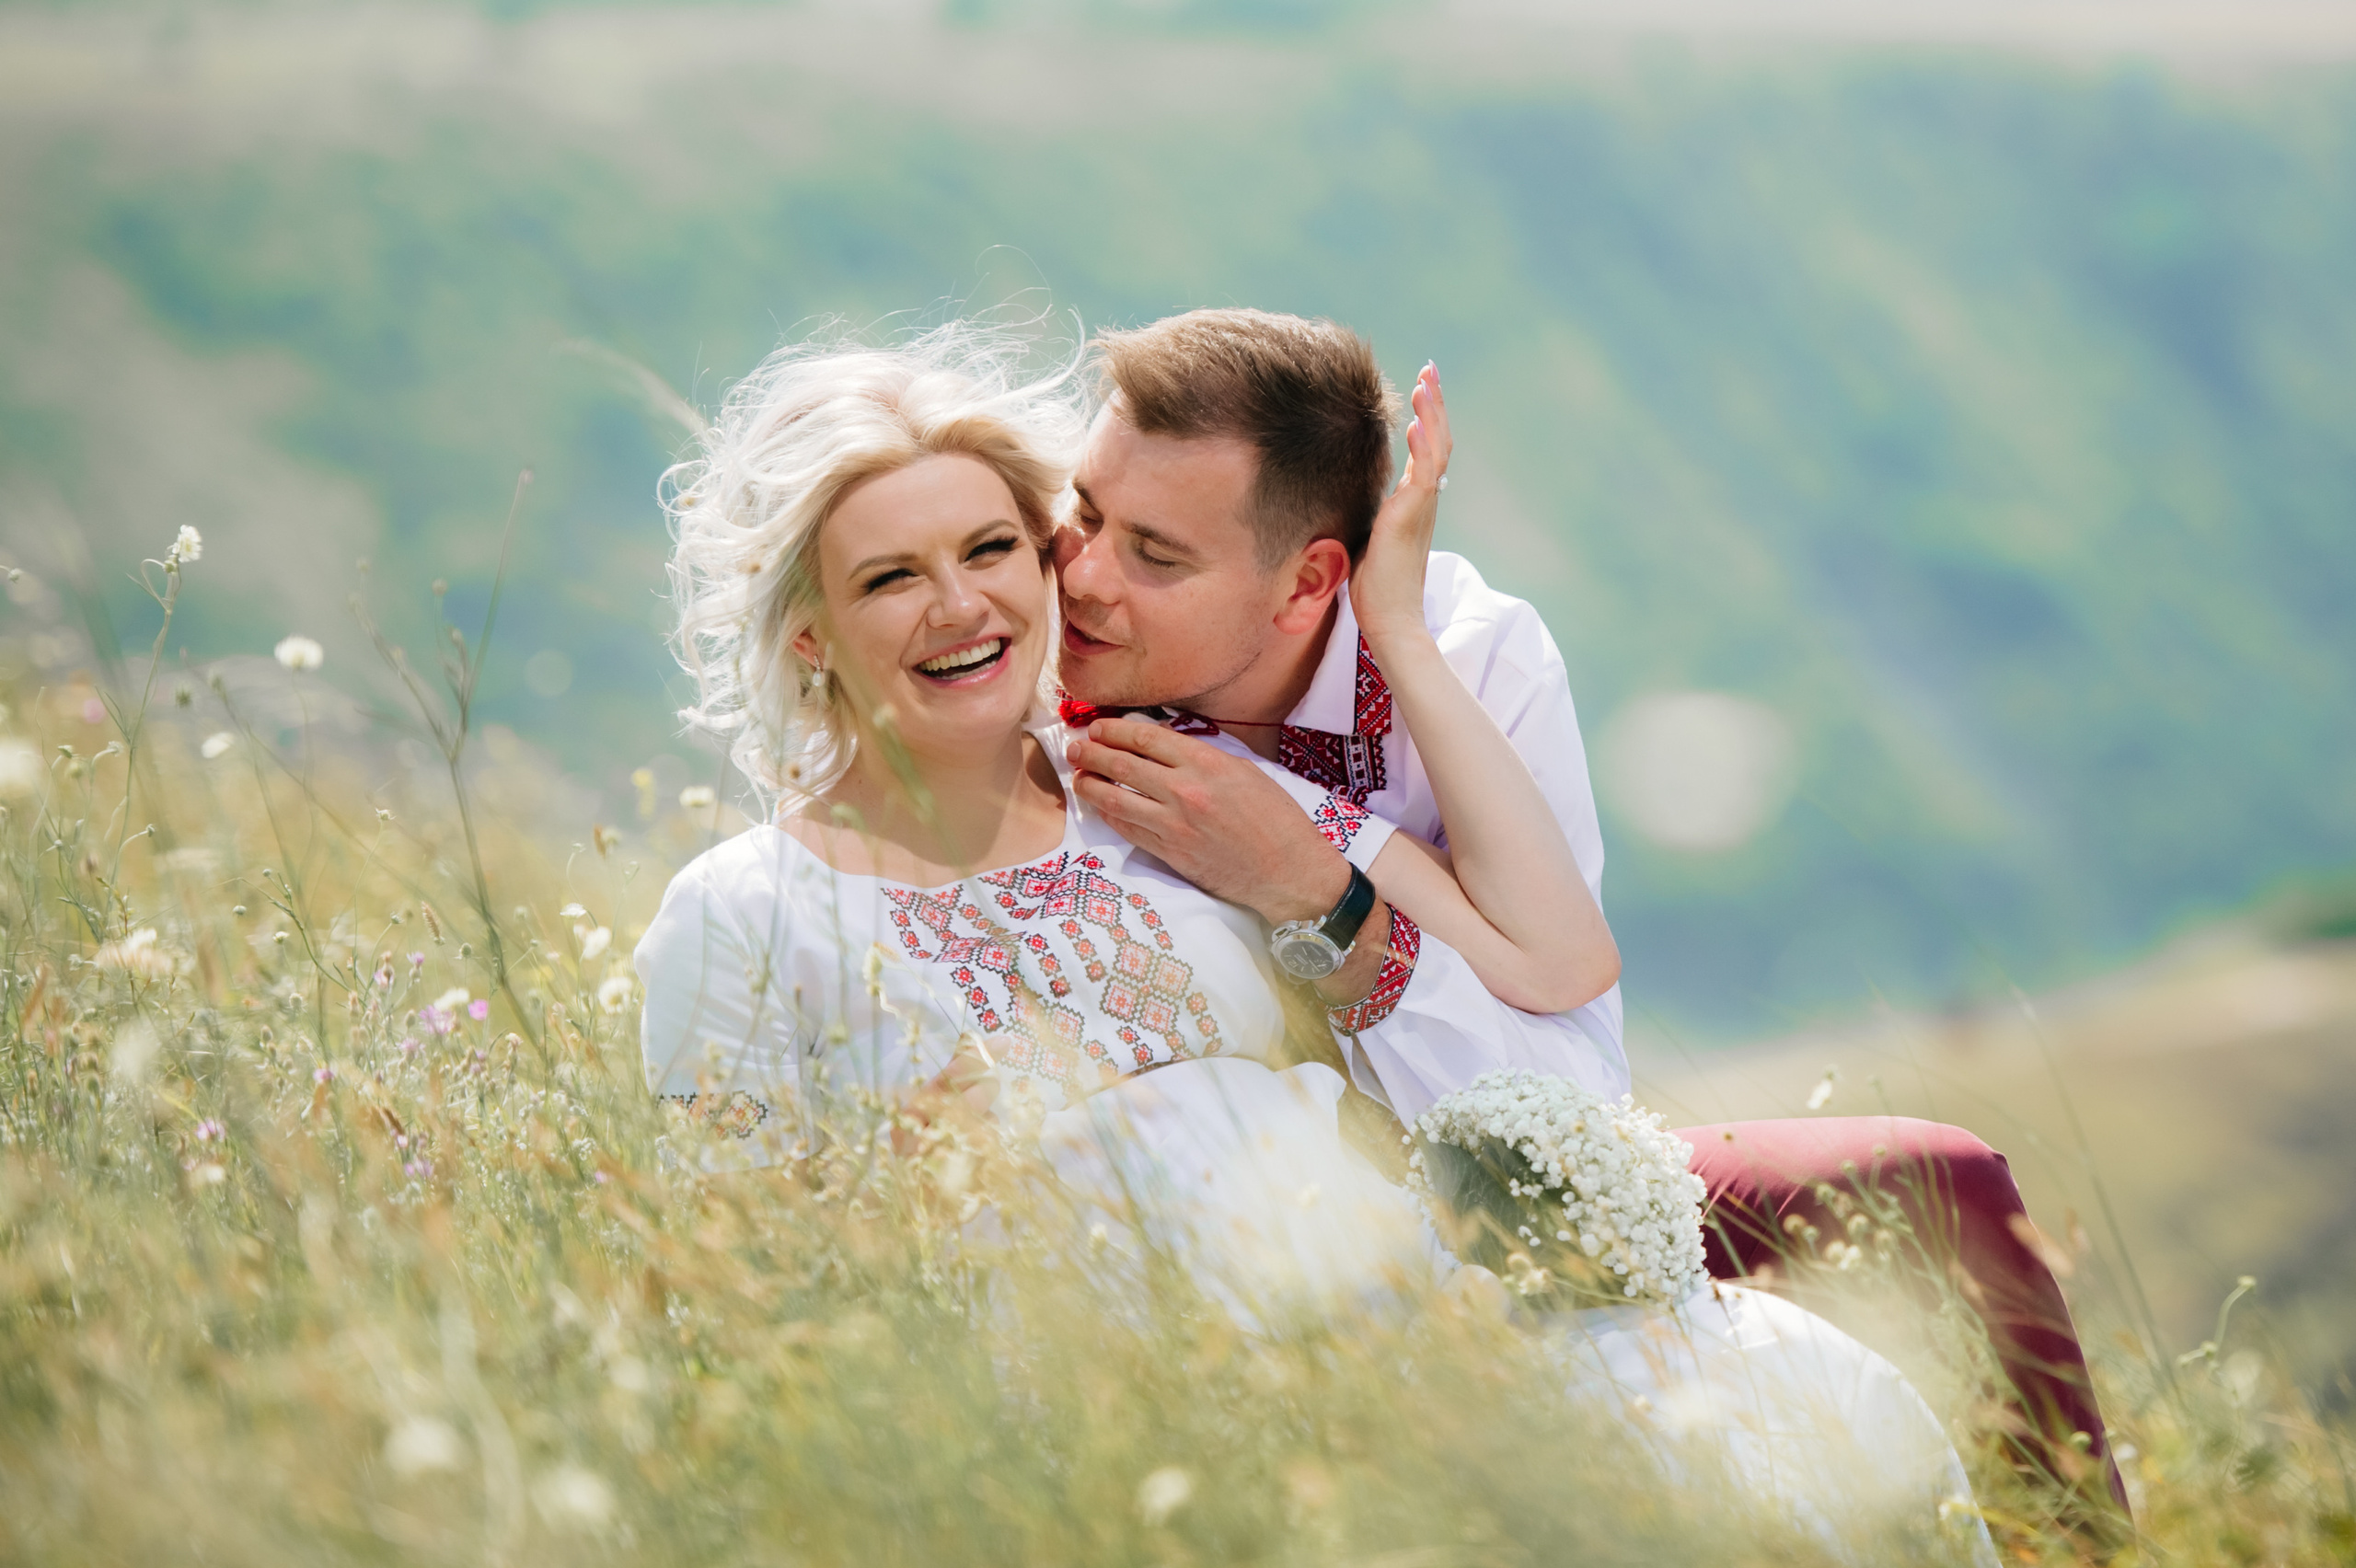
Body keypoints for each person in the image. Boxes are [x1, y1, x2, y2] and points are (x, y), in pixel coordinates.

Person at [631, 324, 1995, 1558]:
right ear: (809, 631)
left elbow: (1553, 967)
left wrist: (1334, 833)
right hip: (1104, 1410)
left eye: (993, 550)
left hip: (1396, 1308)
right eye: (892, 578)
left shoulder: (1176, 779)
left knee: (1779, 1442)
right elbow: (740, 1304)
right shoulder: (741, 913)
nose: (968, 605)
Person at [1050, 306, 2124, 1521]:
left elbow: (1575, 1071)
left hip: (1540, 1181)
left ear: (1311, 582)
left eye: (1154, 554)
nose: (1080, 576)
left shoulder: (1470, 646)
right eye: (1085, 511)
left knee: (1935, 1181)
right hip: (1313, 1238)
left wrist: (1336, 842)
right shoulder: (1053, 704)